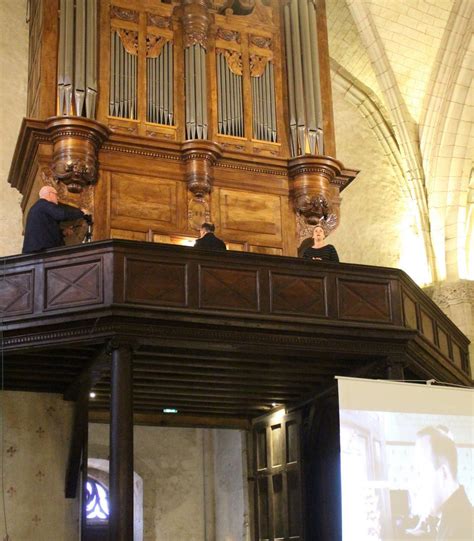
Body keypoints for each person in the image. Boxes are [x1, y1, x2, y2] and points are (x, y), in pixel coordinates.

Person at [410, 425, 473, 540]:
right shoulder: (452, 520)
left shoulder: (461, 532)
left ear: (444, 473)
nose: (416, 485)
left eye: (420, 473)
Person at [22, 186, 87, 254]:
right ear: (50, 194)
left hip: (34, 252)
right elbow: (61, 214)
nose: (57, 198)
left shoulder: (37, 207)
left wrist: (62, 233)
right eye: (56, 195)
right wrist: (81, 212)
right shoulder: (44, 204)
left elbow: (45, 230)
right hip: (43, 251)